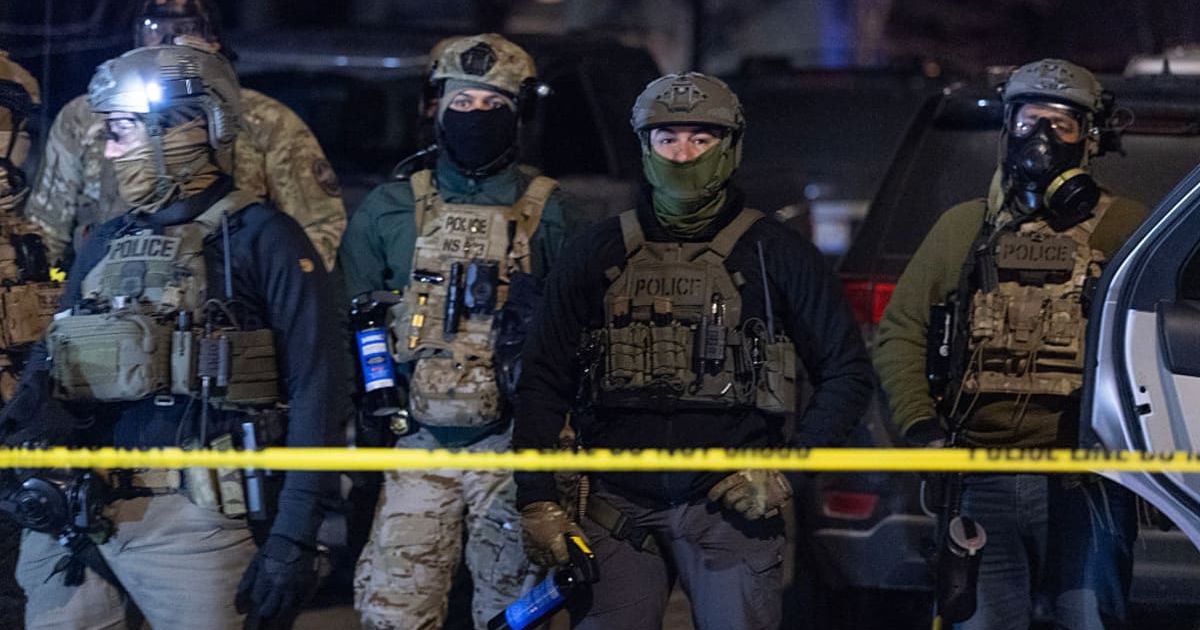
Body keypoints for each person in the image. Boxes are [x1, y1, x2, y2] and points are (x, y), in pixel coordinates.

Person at [512, 72, 874, 629]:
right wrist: (537, 497)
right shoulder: (595, 252)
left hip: (731, 509)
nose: (683, 155)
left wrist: (787, 473)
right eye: (667, 139)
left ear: (730, 147)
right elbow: (542, 378)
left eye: (701, 139)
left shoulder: (776, 255)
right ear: (645, 147)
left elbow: (847, 372)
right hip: (615, 507)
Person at [6, 45, 345, 629]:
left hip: (196, 527)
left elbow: (319, 388)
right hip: (79, 521)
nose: (110, 154)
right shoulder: (104, 240)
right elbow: (51, 362)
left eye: (120, 133)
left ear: (184, 128)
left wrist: (293, 534)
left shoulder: (263, 239)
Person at [873, 59, 1145, 629]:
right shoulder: (964, 229)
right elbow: (901, 332)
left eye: (1061, 126)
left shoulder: (1126, 229)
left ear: (1088, 140)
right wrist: (921, 430)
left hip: (1085, 479)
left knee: (1089, 619)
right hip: (979, 475)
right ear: (1007, 126)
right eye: (1029, 120)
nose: (1041, 138)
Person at [341, 33, 574, 629]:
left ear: (518, 114)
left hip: (512, 445)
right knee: (394, 611)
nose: (476, 117)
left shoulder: (554, 212)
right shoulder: (390, 209)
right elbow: (352, 321)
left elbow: (578, 334)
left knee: (513, 613)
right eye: (463, 104)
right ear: (437, 109)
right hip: (415, 441)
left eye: (492, 105)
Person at [25, 0, 346, 271]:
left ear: (213, 39)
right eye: (154, 28)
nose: (168, 40)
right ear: (137, 37)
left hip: (226, 298)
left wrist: (275, 290)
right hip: (109, 297)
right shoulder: (86, 116)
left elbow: (319, 227)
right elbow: (47, 231)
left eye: (186, 28)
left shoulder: (264, 120)